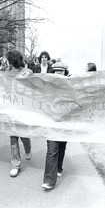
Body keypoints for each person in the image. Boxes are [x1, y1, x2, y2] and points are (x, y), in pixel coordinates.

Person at [42, 59, 69, 190]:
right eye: (56, 70)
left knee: (61, 148)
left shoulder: (71, 85)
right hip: (51, 122)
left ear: (65, 72)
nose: (58, 72)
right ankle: (49, 180)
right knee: (52, 150)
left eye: (61, 71)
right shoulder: (48, 86)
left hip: (65, 123)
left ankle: (59, 167)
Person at [5, 50, 33, 177]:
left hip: (23, 109)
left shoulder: (28, 72)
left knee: (24, 135)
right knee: (13, 137)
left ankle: (28, 148)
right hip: (11, 109)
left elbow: (31, 87)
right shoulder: (8, 73)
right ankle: (16, 165)